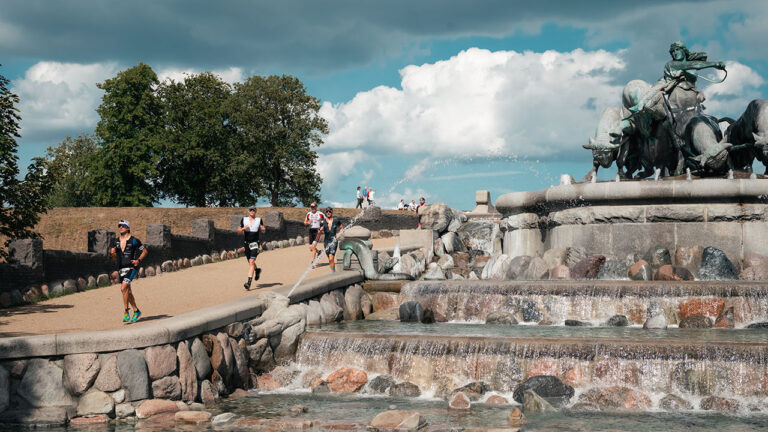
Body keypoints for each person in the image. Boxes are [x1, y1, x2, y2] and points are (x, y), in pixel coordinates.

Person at [110, 220, 147, 323]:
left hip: (131, 268)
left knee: (123, 288)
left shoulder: (134, 240)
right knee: (128, 292)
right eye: (119, 226)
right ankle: (136, 310)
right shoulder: (116, 241)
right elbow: (114, 258)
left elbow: (145, 251)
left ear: (128, 228)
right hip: (121, 268)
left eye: (123, 225)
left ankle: (126, 312)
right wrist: (113, 254)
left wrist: (138, 260)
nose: (120, 227)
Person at [238, 206, 266, 290]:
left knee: (251, 262)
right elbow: (238, 231)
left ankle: (248, 283)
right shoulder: (244, 219)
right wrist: (243, 228)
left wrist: (263, 229)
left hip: (255, 244)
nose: (252, 211)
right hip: (246, 244)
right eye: (250, 210)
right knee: (251, 263)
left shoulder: (259, 220)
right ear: (248, 211)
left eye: (254, 210)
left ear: (256, 211)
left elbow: (263, 230)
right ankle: (257, 270)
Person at [317, 207, 343, 273]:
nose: (328, 213)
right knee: (330, 259)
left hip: (333, 241)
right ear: (325, 213)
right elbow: (319, 232)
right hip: (326, 241)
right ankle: (333, 272)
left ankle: (333, 274)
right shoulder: (322, 222)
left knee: (331, 258)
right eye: (327, 211)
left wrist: (339, 234)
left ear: (332, 212)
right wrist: (320, 231)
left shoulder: (336, 220)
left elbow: (341, 227)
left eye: (330, 211)